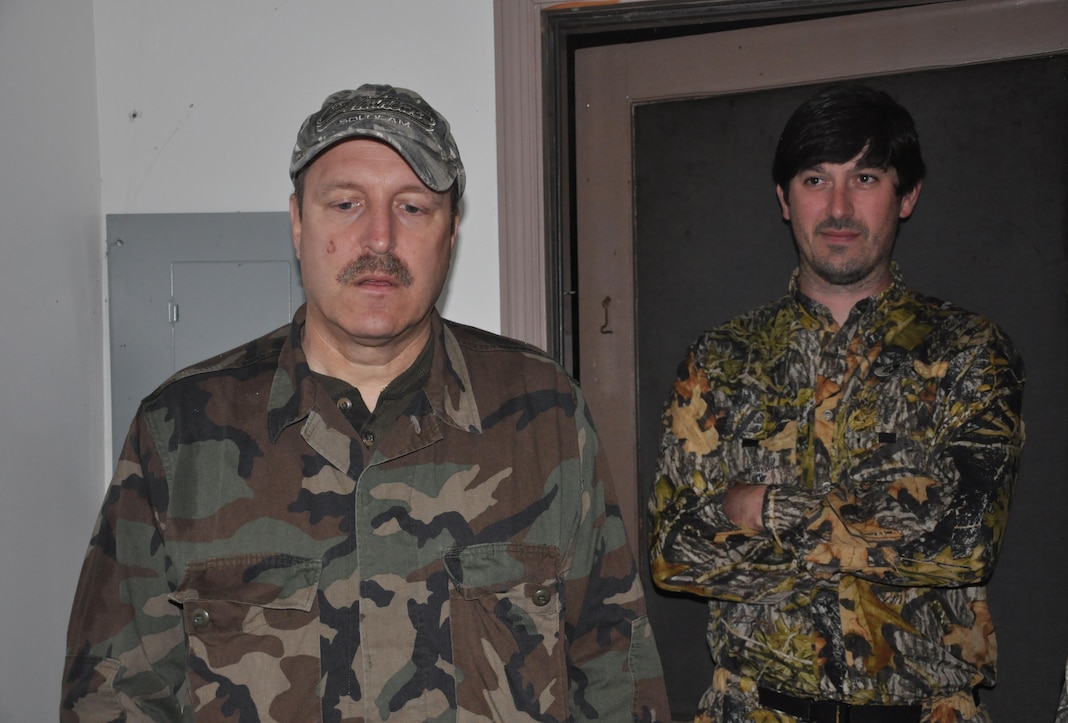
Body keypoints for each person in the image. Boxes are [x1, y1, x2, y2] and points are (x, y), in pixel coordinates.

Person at [62, 83, 671, 722]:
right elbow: (112, 696)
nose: (378, 238)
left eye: (412, 208)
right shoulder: (179, 433)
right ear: (298, 222)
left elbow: (617, 677)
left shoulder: (544, 412)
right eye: (346, 203)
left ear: (452, 231)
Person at [649, 84, 1025, 723]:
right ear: (783, 198)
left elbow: (962, 542)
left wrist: (763, 507)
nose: (840, 207)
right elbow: (676, 554)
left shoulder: (967, 351)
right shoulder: (720, 359)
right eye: (816, 179)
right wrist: (888, 527)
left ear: (907, 196)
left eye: (867, 177)